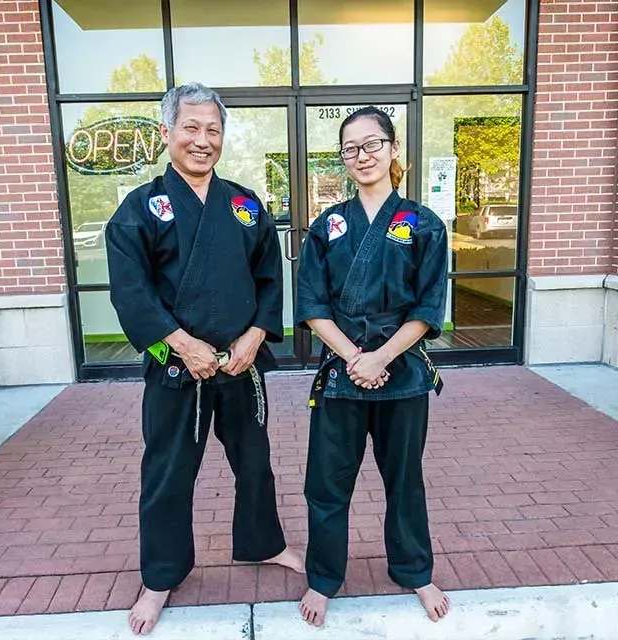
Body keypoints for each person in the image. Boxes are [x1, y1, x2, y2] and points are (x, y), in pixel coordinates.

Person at [106, 82, 304, 636]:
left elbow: (270, 275)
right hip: (177, 368)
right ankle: (160, 576)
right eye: (191, 128)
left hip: (240, 365)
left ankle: (264, 545)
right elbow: (130, 291)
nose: (202, 140)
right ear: (167, 133)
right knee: (168, 473)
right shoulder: (141, 208)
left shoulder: (244, 204)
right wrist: (180, 344)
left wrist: (258, 335)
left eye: (213, 129)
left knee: (255, 462)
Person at [295, 106, 450, 627]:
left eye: (371, 144)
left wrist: (381, 357)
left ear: (393, 148)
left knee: (405, 479)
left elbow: (429, 309)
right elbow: (312, 305)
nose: (361, 156)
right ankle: (323, 577)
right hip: (343, 373)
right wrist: (355, 358)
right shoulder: (329, 225)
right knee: (327, 481)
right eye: (350, 149)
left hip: (401, 373)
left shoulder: (422, 224)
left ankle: (414, 570)